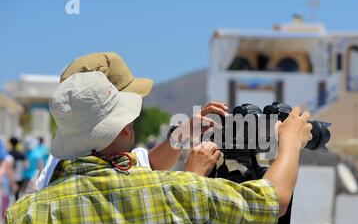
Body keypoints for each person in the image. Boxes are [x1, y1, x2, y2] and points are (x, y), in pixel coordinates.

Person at [0, 71, 313, 224]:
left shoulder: (23, 218)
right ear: (125, 128)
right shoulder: (179, 193)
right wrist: (290, 142)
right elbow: (273, 201)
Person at [35, 52, 226, 191]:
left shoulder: (64, 163)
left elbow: (148, 164)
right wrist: (193, 179)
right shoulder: (96, 181)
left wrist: (182, 134)